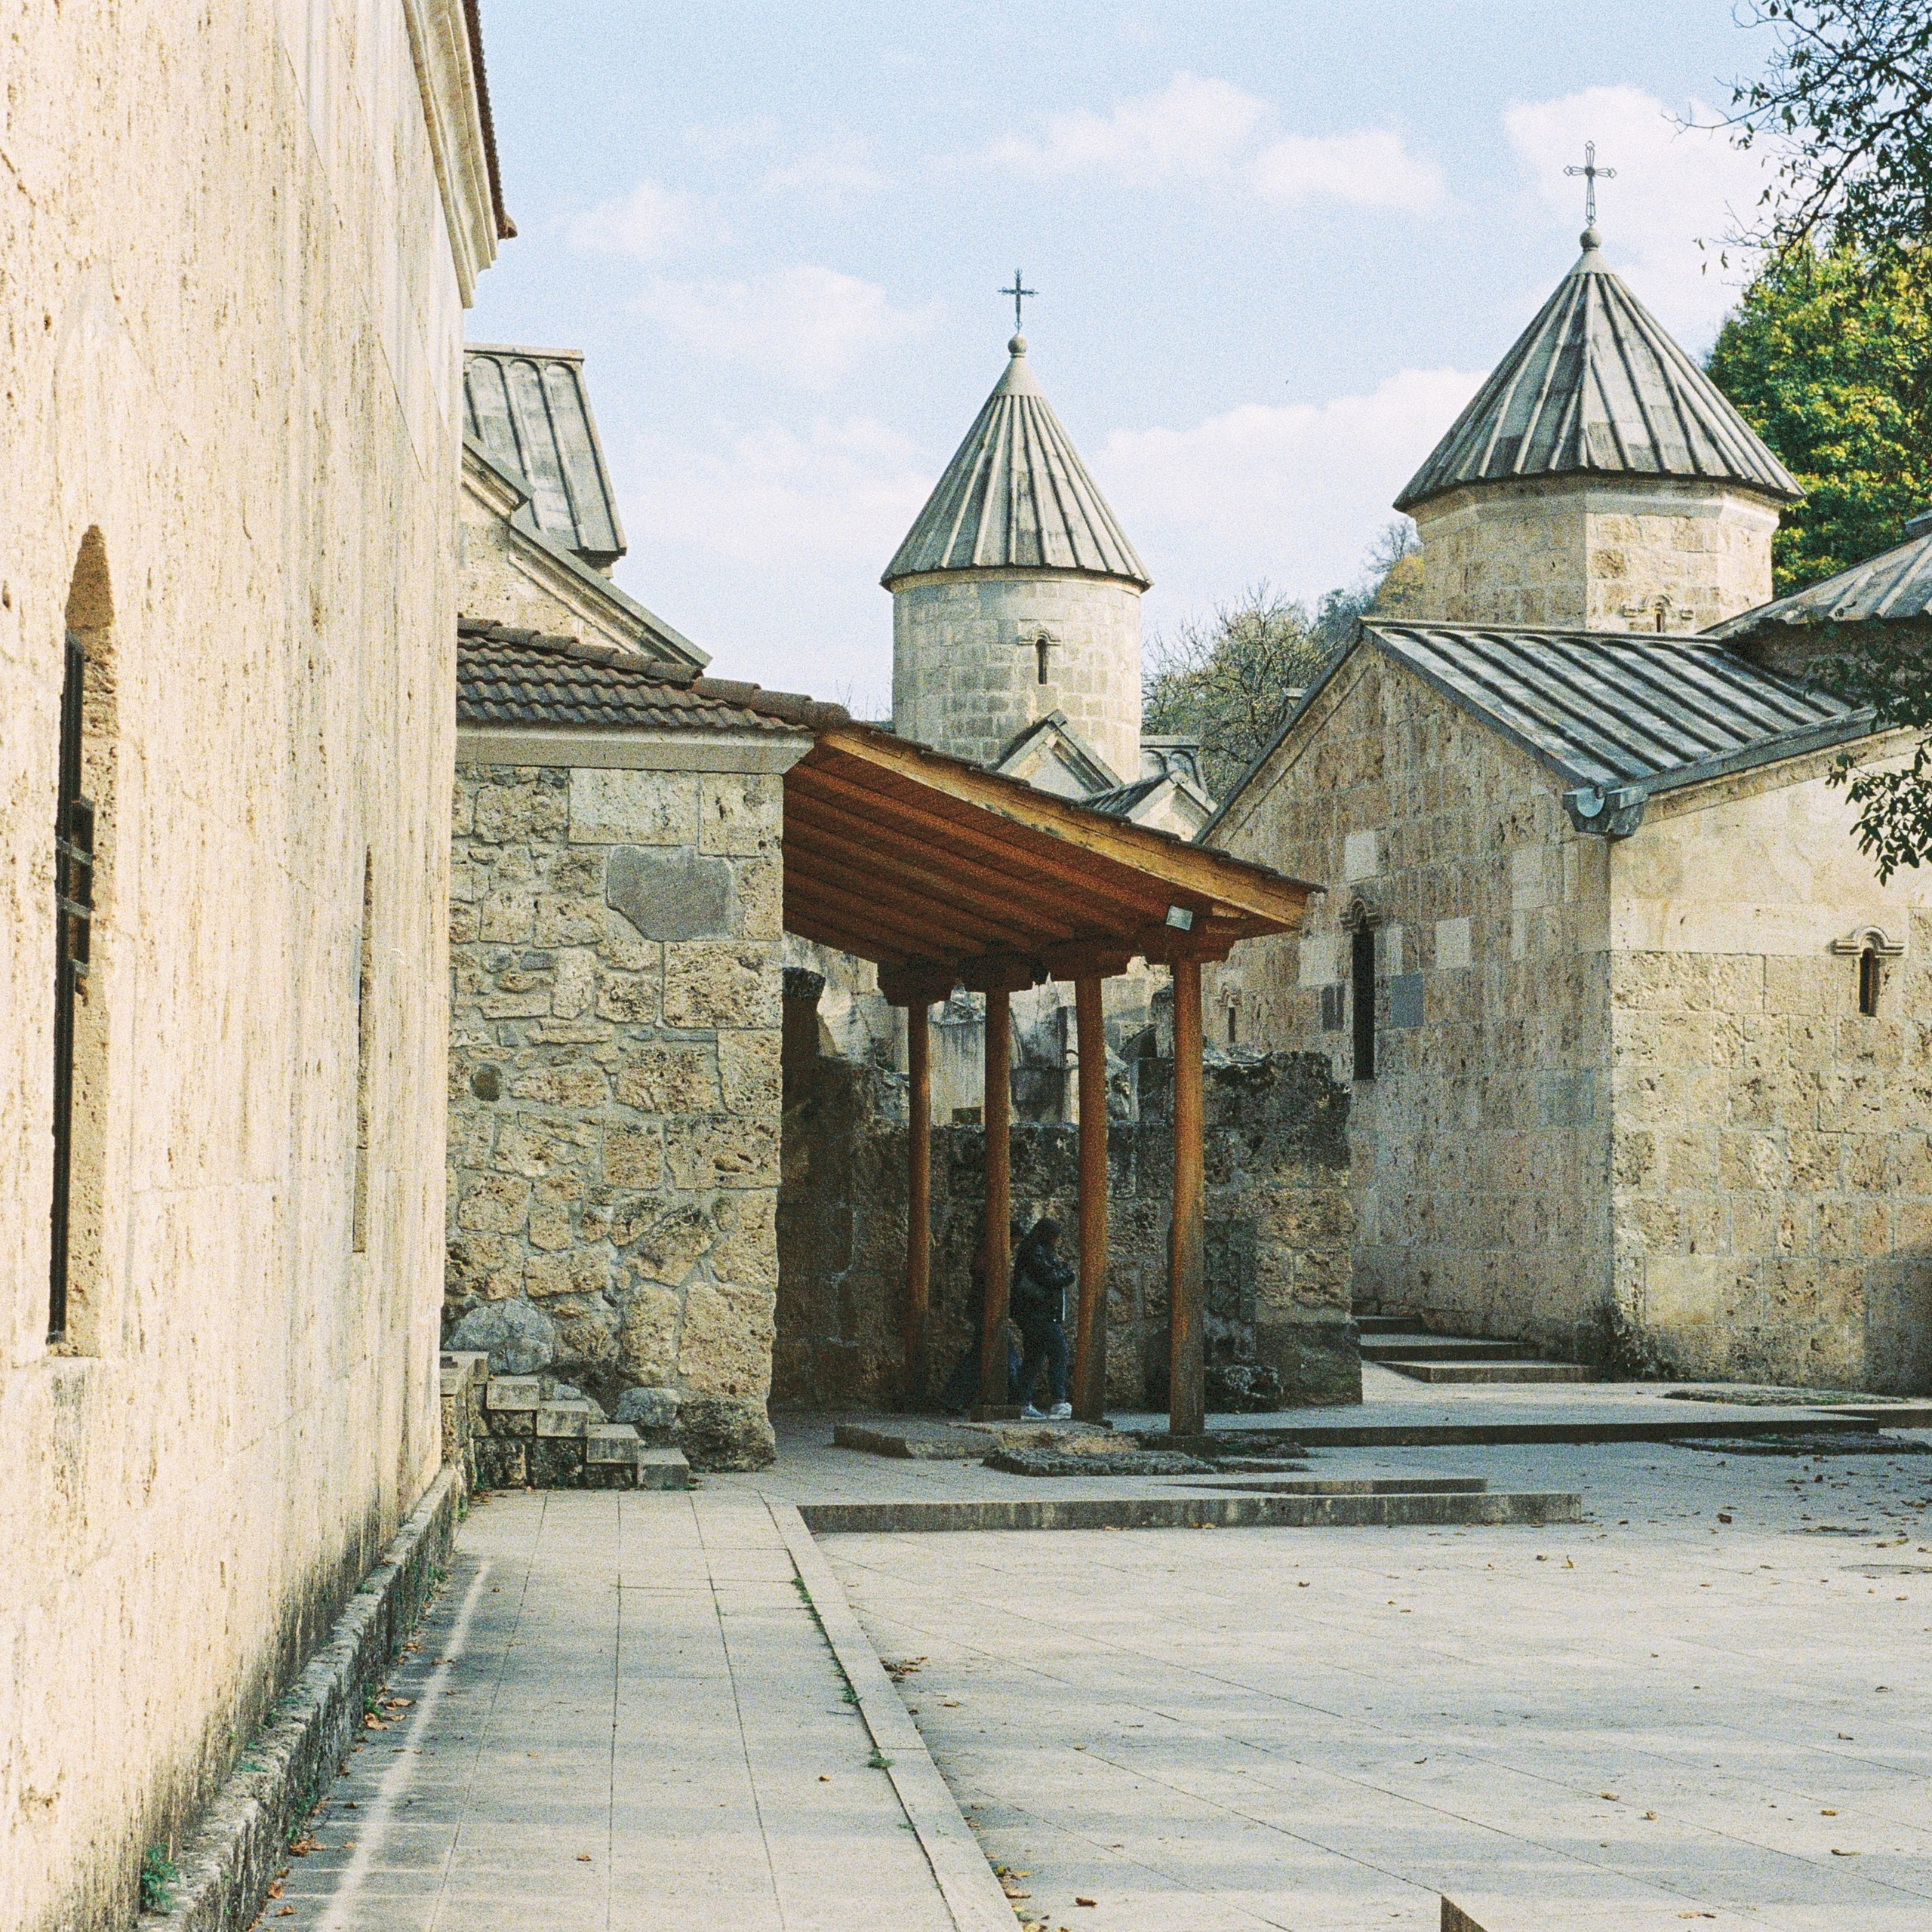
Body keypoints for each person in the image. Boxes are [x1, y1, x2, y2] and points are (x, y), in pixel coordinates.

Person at [940, 1236, 1018, 1414]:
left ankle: (956, 1398)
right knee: (993, 1357)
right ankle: (1018, 1400)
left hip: (985, 1312)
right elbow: (986, 1276)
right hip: (986, 1313)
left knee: (979, 1357)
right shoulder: (987, 1257)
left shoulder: (984, 1255)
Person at [1010, 1217, 1075, 1420]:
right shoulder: (1036, 1252)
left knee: (1034, 1358)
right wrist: (1068, 1274)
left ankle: (1021, 1403)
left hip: (1032, 1313)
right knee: (1059, 1352)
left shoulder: (1032, 1250)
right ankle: (1058, 1401)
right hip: (1040, 1314)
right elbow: (1049, 1279)